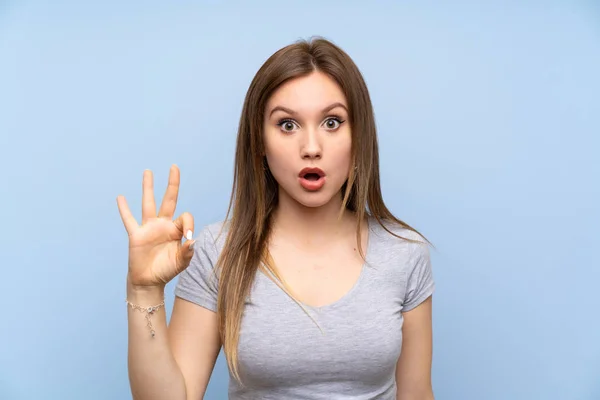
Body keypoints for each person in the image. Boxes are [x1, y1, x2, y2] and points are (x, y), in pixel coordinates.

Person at [117, 36, 435, 400]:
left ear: (358, 136)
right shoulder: (217, 251)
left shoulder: (404, 253)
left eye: (332, 122)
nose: (311, 148)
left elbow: (417, 393)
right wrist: (143, 288)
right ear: (260, 143)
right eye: (287, 125)